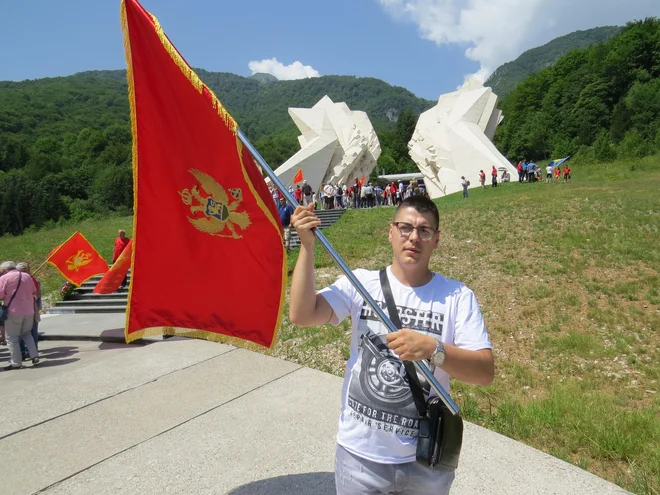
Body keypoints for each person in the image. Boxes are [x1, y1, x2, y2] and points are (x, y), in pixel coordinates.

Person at [289, 196, 494, 495]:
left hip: (426, 461)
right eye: (405, 227)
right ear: (390, 232)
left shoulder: (457, 297)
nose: (413, 237)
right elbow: (302, 314)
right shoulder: (361, 284)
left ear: (436, 240)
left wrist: (433, 349)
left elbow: (484, 372)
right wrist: (307, 247)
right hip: (359, 457)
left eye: (424, 230)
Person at [0, 261, 40, 370]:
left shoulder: (4, 278)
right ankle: (34, 355)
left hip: (13, 311)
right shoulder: (27, 276)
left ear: (4, 270)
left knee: (12, 338)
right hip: (29, 310)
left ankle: (16, 363)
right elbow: (34, 291)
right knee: (27, 334)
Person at [17, 262, 41, 359]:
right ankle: (27, 352)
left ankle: (30, 351)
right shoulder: (27, 279)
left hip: (28, 308)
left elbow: (37, 294)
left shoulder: (32, 280)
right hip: (26, 309)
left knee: (30, 331)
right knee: (25, 332)